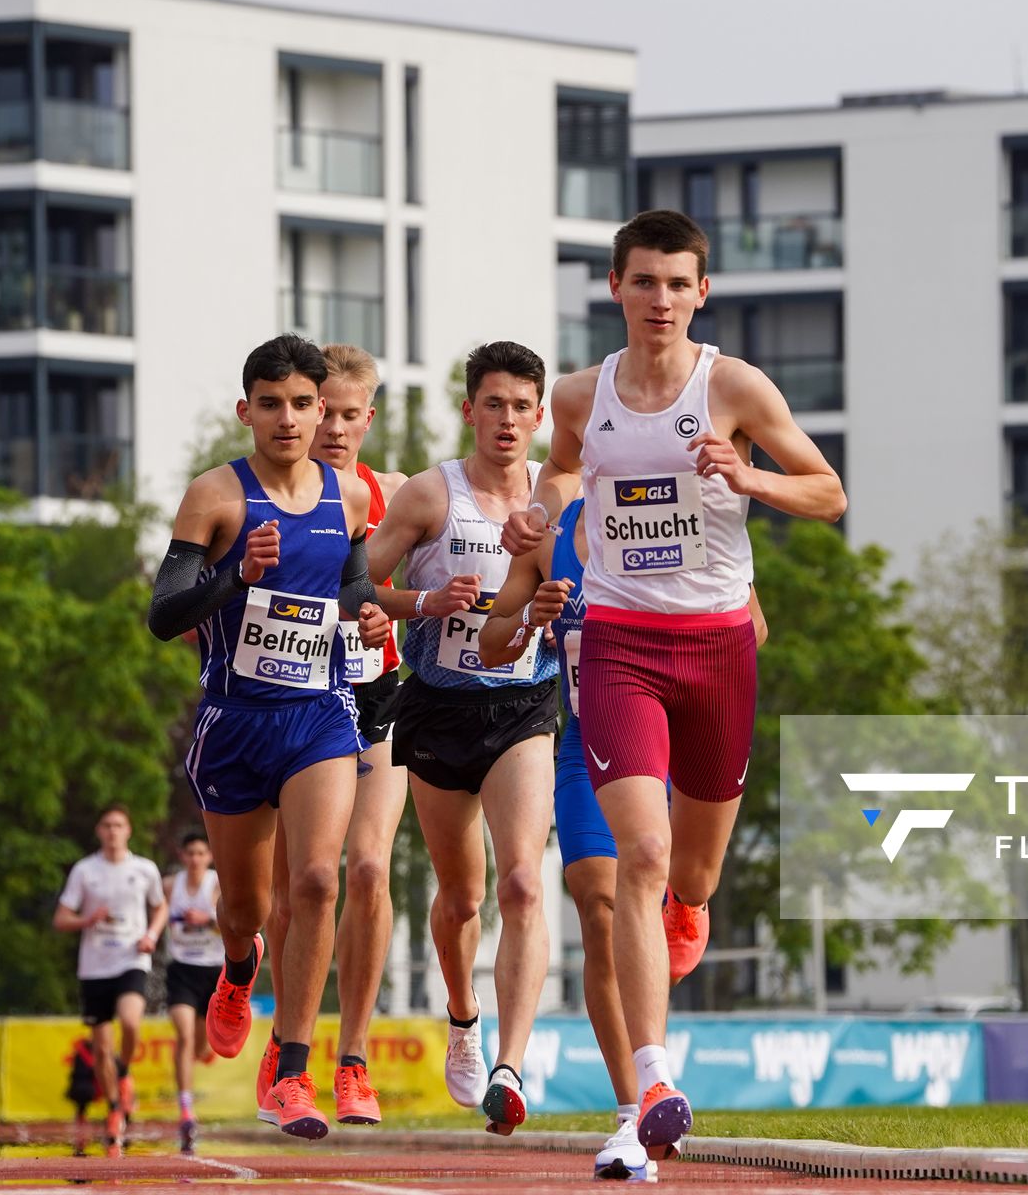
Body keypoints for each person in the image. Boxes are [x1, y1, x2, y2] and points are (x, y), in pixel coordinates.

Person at [500, 210, 844, 1157]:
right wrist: (537, 514)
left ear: (703, 293)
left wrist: (752, 479)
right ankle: (653, 1083)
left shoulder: (731, 385)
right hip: (617, 643)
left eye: (676, 283)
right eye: (643, 281)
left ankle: (690, 912)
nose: (659, 299)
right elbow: (564, 474)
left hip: (720, 647)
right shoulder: (578, 394)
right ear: (615, 287)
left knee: (689, 876)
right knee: (637, 861)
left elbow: (829, 492)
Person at [480, 491, 767, 1178]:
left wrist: (681, 626)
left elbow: (751, 626)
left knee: (687, 876)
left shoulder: (681, 519)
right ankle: (637, 1105)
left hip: (680, 726)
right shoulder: (553, 537)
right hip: (592, 741)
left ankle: (687, 903)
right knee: (600, 901)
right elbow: (491, 640)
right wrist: (528, 617)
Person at [145, 334, 383, 1139]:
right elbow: (163, 616)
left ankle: (291, 1069)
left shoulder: (346, 498)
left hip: (319, 715)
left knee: (318, 880)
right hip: (234, 724)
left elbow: (348, 592)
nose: (289, 419)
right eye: (271, 404)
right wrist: (233, 576)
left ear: (324, 411)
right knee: (246, 908)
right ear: (246, 410)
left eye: (304, 405)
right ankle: (238, 970)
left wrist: (371, 611)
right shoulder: (215, 496)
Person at [252, 344, 473, 1129]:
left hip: (376, 695)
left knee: (370, 869)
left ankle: (351, 1062)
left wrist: (401, 606)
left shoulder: (390, 495)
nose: (335, 430)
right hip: (291, 699)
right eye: (326, 413)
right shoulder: (269, 495)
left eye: (351, 416)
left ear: (367, 417)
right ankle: (285, 1047)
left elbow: (396, 583)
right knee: (300, 889)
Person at [357, 341, 558, 1135]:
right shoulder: (429, 495)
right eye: (494, 404)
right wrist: (424, 602)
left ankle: (511, 1063)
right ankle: (464, 1018)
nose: (507, 419)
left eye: (521, 406)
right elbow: (353, 585)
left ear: (540, 416)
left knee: (521, 884)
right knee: (463, 895)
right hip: (437, 709)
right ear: (469, 410)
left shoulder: (556, 491)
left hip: (523, 705)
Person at [53, 805, 166, 1157]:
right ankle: (115, 1108)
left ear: (129, 830)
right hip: (94, 967)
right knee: (101, 1047)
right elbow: (61, 919)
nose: (113, 831)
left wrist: (151, 934)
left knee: (131, 1022)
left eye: (119, 825)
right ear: (99, 832)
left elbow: (160, 906)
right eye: (107, 825)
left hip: (132, 958)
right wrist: (87, 919)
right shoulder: (85, 871)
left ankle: (125, 1070)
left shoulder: (144, 869)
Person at [164, 831, 222, 1153]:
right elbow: (153, 907)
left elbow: (236, 921)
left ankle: (205, 1050)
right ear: (182, 856)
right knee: (184, 1037)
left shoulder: (216, 885)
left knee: (200, 1045)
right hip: (181, 970)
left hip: (213, 971)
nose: (195, 859)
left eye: (201, 853)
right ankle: (186, 1111)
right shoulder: (170, 886)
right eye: (190, 854)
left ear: (209, 857)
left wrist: (207, 919)